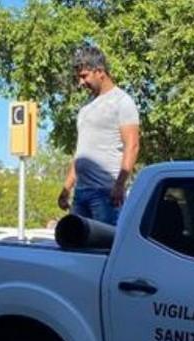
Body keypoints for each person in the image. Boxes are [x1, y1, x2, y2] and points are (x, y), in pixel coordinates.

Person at [58, 45, 141, 226]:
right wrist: (66, 188)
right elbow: (81, 153)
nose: (81, 83)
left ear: (100, 72)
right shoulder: (86, 108)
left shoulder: (122, 101)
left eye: (84, 76)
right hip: (80, 194)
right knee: (76, 249)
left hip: (105, 194)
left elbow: (132, 145)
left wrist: (119, 185)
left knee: (103, 249)